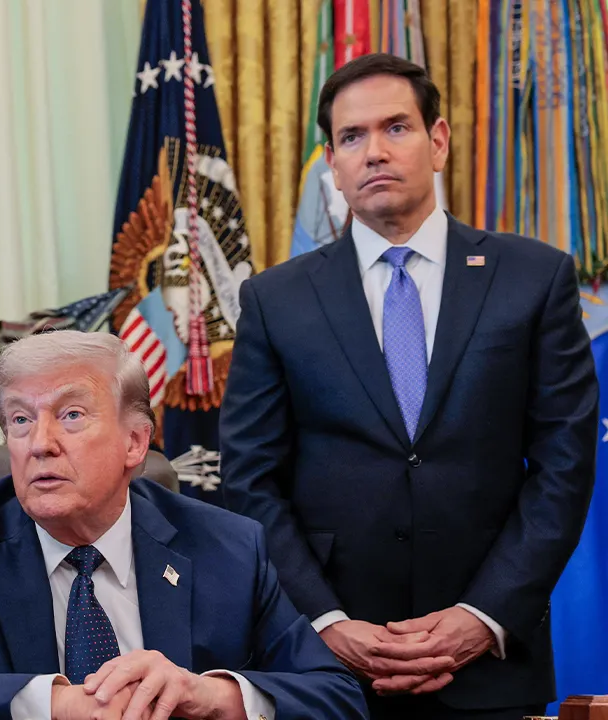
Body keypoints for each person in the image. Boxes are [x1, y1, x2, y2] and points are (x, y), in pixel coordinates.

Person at [220, 53, 598, 720]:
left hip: (491, 663)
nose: (374, 152)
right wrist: (326, 622)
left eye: (396, 127)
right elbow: (251, 481)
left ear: (440, 140)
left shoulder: (533, 279)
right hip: (325, 670)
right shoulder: (275, 300)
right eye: (351, 137)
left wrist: (483, 616)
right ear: (331, 163)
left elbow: (563, 469)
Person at [0, 331, 366, 720]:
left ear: (135, 444)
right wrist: (51, 704)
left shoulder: (226, 546)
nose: (40, 443)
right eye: (20, 420)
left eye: (71, 414)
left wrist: (209, 694)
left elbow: (335, 695)